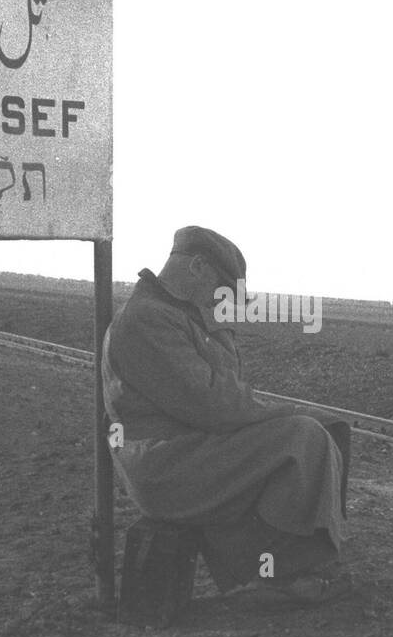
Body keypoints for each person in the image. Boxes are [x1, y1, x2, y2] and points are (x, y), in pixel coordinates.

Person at [102, 225, 351, 604]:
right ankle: (271, 575)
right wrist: (289, 412)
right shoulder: (146, 320)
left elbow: (224, 391)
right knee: (303, 436)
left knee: (320, 431)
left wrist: (216, 329)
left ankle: (294, 563)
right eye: (221, 288)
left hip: (186, 450)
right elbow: (214, 405)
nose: (221, 300)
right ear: (198, 266)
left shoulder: (179, 316)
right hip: (163, 464)